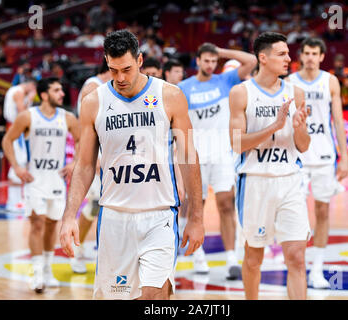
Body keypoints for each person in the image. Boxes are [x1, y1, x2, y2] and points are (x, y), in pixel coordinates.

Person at [59, 29, 204, 300]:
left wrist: (196, 217)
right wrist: (69, 216)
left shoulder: (170, 96)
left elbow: (188, 156)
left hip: (159, 214)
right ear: (106, 62)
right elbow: (85, 163)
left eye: (126, 68)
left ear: (139, 60)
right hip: (115, 216)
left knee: (155, 295)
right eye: (113, 70)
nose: (121, 78)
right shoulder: (94, 102)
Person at [229, 32, 311, 300]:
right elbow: (237, 144)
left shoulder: (296, 92)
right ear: (262, 58)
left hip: (289, 179)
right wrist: (274, 126)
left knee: (297, 257)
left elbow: (303, 145)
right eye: (282, 54)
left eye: (288, 53)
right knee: (254, 258)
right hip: (255, 181)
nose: (289, 58)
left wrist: (298, 128)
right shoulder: (241, 93)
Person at [178, 42, 257, 278]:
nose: (211, 65)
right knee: (195, 208)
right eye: (207, 60)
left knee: (226, 204)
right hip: (196, 156)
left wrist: (221, 52)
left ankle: (231, 258)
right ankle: (198, 256)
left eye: (214, 61)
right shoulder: (184, 88)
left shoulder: (226, 81)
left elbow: (252, 61)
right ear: (198, 61)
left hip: (222, 154)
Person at [2, 77, 80, 293]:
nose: (62, 94)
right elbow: (7, 140)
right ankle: (36, 272)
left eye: (62, 90)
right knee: (36, 223)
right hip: (34, 179)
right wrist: (17, 167)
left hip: (56, 179)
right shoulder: (28, 116)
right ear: (44, 95)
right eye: (57, 90)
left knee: (51, 225)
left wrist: (74, 162)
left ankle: (47, 269)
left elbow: (83, 140)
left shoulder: (68, 118)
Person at [287, 37, 348, 289]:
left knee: (322, 212)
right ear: (300, 56)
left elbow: (338, 120)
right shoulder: (289, 82)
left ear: (322, 57)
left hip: (324, 156)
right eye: (307, 53)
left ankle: (317, 269)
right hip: (298, 156)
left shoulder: (330, 81)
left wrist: (344, 156)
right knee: (296, 214)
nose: (311, 57)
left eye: (315, 53)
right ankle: (297, 264)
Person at [70, 58, 112, 274]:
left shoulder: (108, 87)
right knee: (95, 204)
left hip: (109, 154)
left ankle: (89, 247)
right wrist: (92, 156)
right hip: (95, 154)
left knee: (107, 205)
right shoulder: (93, 86)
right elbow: (86, 127)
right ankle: (77, 251)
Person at [3, 78, 37, 212]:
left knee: (19, 162)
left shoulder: (14, 90)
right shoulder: (19, 92)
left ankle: (14, 201)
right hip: (16, 129)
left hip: (14, 127)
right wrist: (30, 98)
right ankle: (14, 202)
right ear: (31, 85)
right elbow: (22, 112)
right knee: (18, 162)